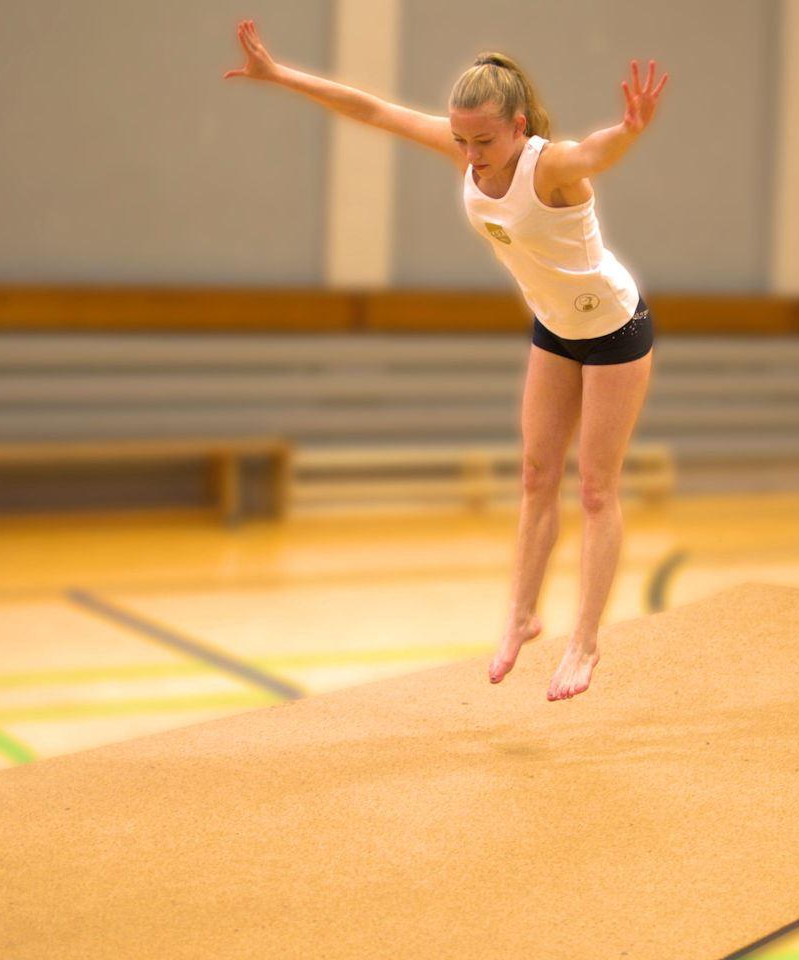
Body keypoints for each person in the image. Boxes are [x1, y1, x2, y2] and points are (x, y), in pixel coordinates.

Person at [226, 20, 668, 701]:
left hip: (614, 326)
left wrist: (632, 131)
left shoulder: (545, 165)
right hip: (555, 327)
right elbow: (372, 110)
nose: (469, 155)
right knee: (533, 473)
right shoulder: (468, 152)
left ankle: (584, 641)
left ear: (519, 127)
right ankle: (521, 615)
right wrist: (282, 75)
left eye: (484, 142)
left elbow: (592, 154)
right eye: (460, 141)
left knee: (595, 488)